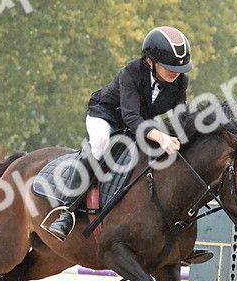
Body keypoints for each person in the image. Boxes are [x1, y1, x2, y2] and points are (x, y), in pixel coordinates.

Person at [43, 25, 192, 241]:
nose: (176, 72)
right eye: (169, 66)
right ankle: (66, 212)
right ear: (150, 62)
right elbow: (131, 117)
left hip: (138, 124)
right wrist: (159, 136)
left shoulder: (179, 82)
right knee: (101, 144)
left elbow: (181, 116)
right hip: (106, 117)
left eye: (180, 69)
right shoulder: (131, 73)